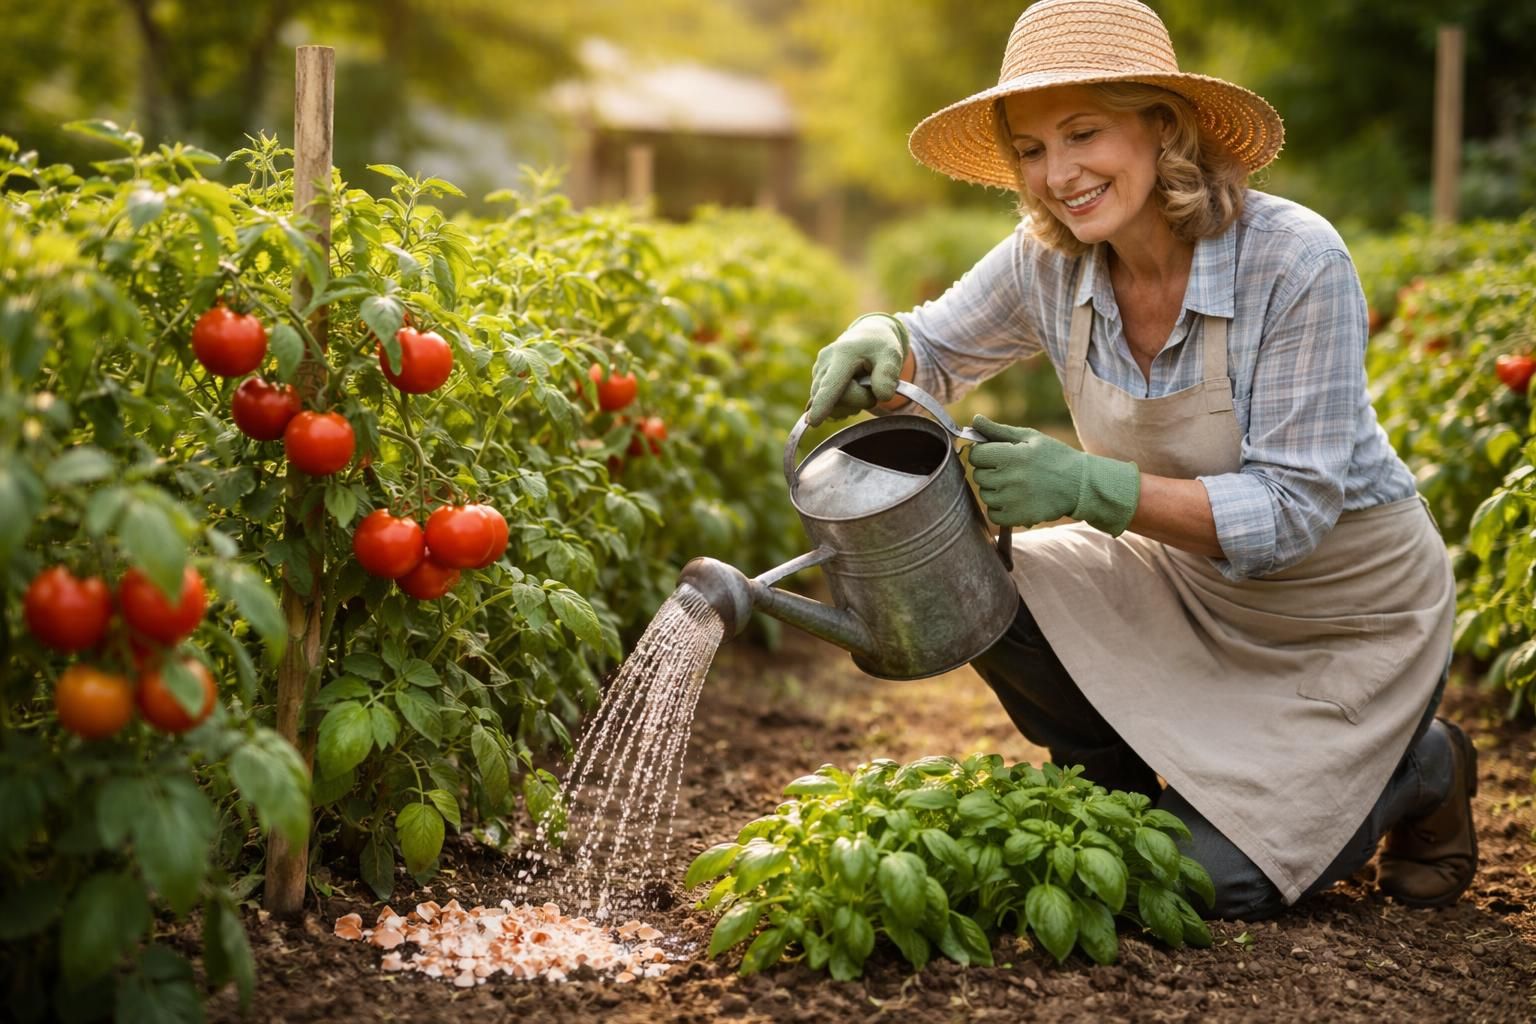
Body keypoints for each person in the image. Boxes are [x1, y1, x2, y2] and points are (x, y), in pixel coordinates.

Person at [804, 0, 1476, 920]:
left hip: (1339, 618)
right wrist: (874, 331)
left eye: (1084, 133)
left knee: (1199, 885)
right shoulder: (1049, 260)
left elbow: (1291, 515)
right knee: (982, 581)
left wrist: (1087, 485)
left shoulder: (1295, 260)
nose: (1059, 174)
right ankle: (1109, 794)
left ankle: (1421, 761)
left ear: (1165, 129)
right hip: (1187, 583)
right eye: (1032, 149)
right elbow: (932, 347)